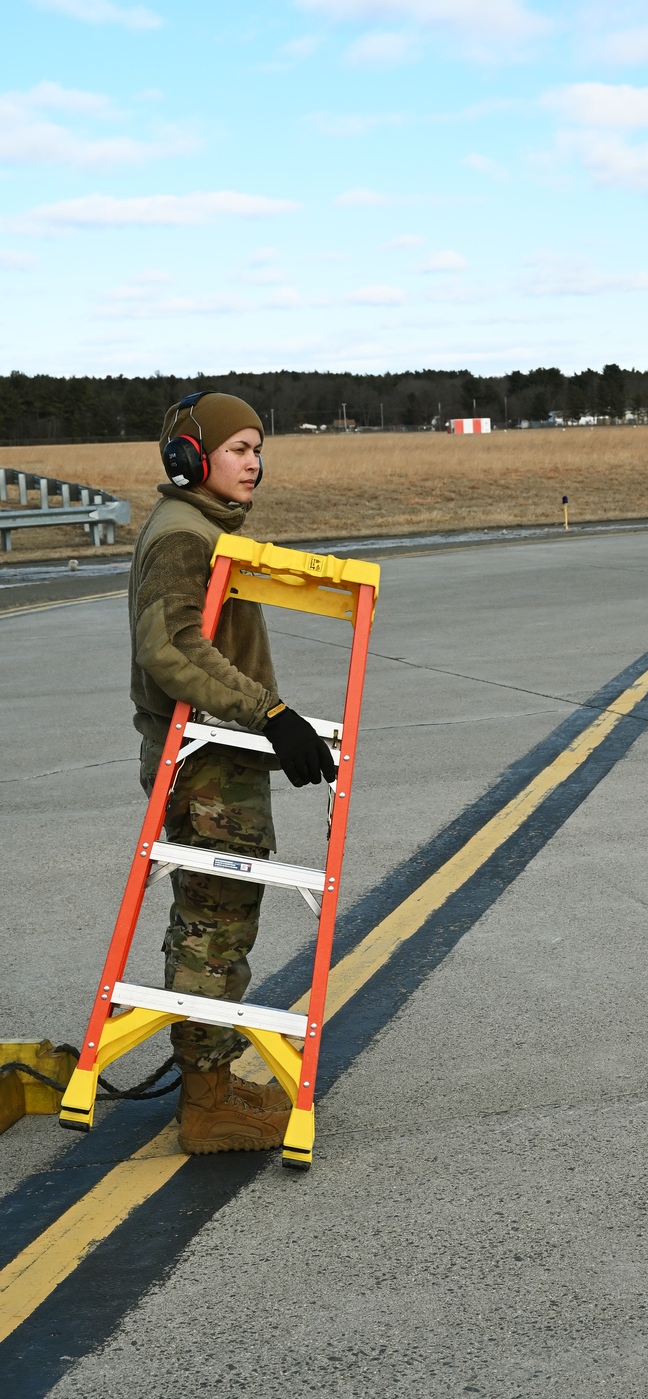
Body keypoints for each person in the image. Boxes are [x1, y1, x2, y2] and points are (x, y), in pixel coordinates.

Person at [128, 390, 335, 1154]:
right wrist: (270, 712)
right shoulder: (186, 535)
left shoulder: (202, 528)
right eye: (241, 448)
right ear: (191, 454)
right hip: (208, 765)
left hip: (219, 757)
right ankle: (208, 1105)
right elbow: (171, 647)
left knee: (218, 920)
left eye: (259, 449)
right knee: (215, 927)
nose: (255, 462)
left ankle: (210, 1080)